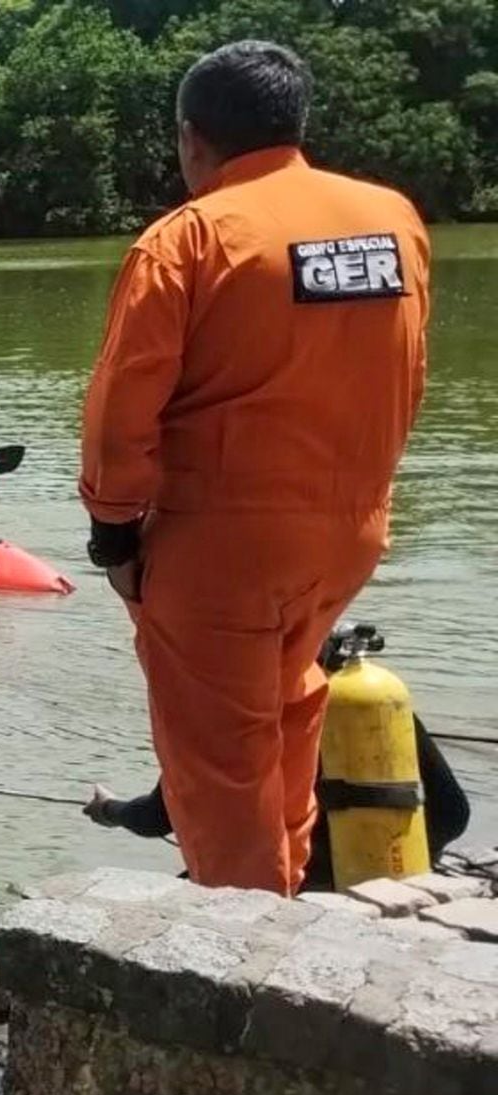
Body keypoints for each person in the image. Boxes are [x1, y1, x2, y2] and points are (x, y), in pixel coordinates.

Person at [80, 40, 431, 894]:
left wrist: (113, 537)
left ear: (192, 139)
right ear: (296, 122)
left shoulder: (190, 239)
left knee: (220, 773)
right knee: (288, 717)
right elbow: (409, 373)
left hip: (221, 550)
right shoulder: (394, 220)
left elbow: (123, 414)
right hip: (347, 534)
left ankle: (245, 976)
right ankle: (288, 902)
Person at [84, 627, 471, 890]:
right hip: (389, 877)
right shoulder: (373, 702)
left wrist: (108, 809)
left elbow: (155, 818)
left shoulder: (232, 718)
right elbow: (453, 813)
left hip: (287, 889)